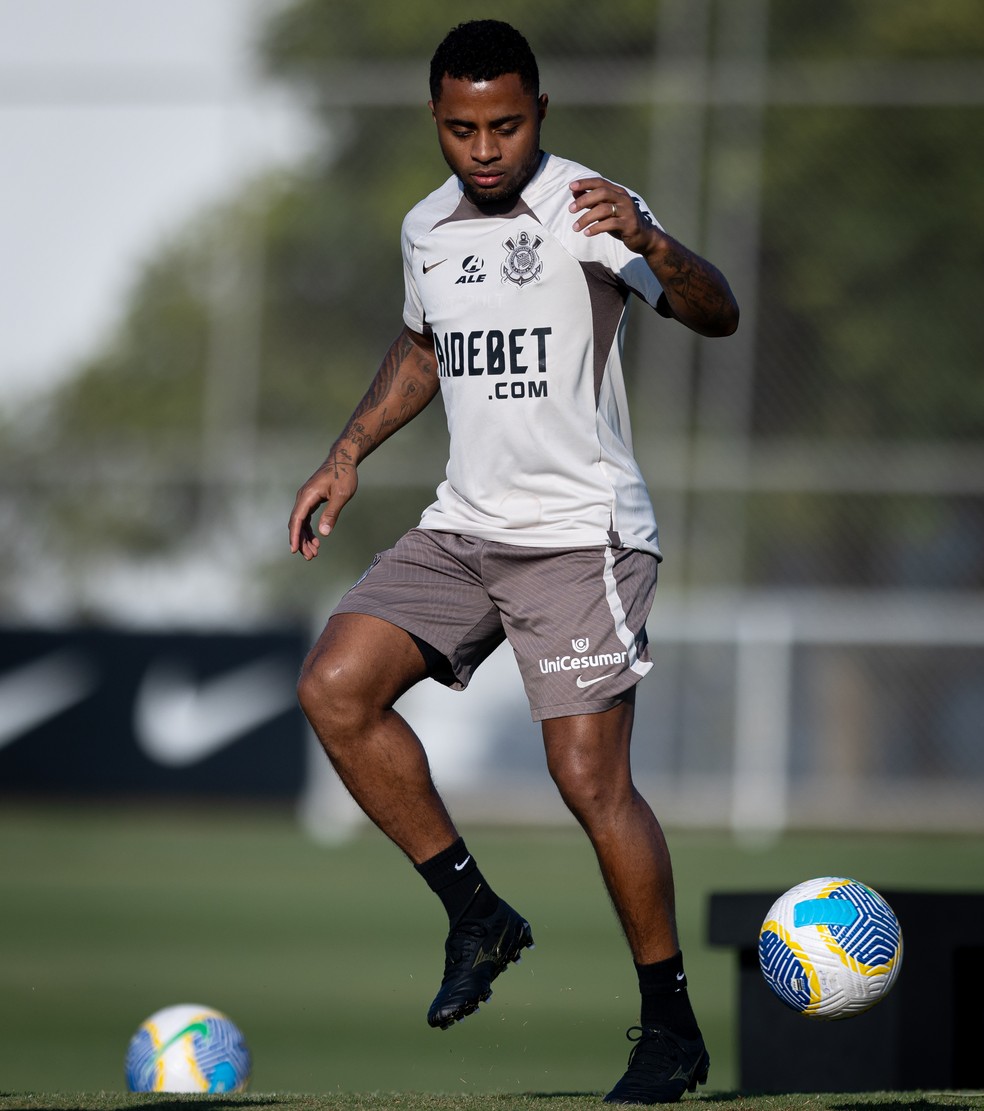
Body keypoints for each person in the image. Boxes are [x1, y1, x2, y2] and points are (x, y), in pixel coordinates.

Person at [289, 19, 738, 1105]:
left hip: (580, 533)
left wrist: (656, 244)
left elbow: (715, 313)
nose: (483, 147)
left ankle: (670, 1027)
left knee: (588, 778)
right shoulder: (427, 228)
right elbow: (423, 346)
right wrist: (346, 453)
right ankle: (477, 914)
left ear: (541, 113)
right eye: (460, 127)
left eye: (505, 124)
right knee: (335, 690)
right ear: (436, 121)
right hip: (464, 526)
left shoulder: (594, 208)